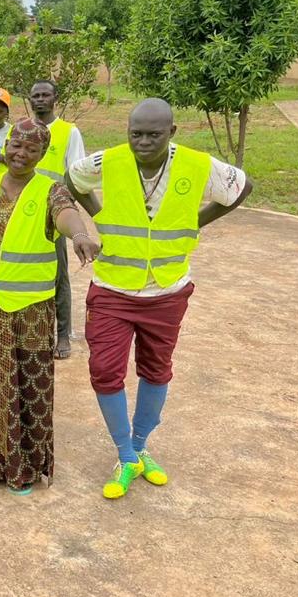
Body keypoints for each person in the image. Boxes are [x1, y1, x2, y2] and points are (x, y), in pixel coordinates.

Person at [66, 98, 251, 500]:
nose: (144, 142)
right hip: (113, 288)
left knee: (156, 369)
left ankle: (141, 443)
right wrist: (97, 215)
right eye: (136, 134)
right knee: (104, 370)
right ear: (127, 132)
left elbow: (242, 186)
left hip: (167, 290)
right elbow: (72, 179)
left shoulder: (197, 164)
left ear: (172, 133)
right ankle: (125, 453)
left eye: (154, 134)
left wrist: (198, 218)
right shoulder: (108, 162)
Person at [0, 119, 100, 494]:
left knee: (26, 385)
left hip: (28, 314)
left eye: (31, 150)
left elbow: (66, 213)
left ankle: (21, 466)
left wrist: (81, 235)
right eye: (15, 146)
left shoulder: (49, 189)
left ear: (42, 154)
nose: (20, 155)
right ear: (5, 144)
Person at [28, 80, 87, 360]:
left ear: (55, 98)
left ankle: (63, 334)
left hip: (53, 215)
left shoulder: (68, 132)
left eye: (45, 95)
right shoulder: (25, 129)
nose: (40, 100)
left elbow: (76, 176)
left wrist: (66, 209)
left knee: (58, 275)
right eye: (35, 96)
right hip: (23, 214)